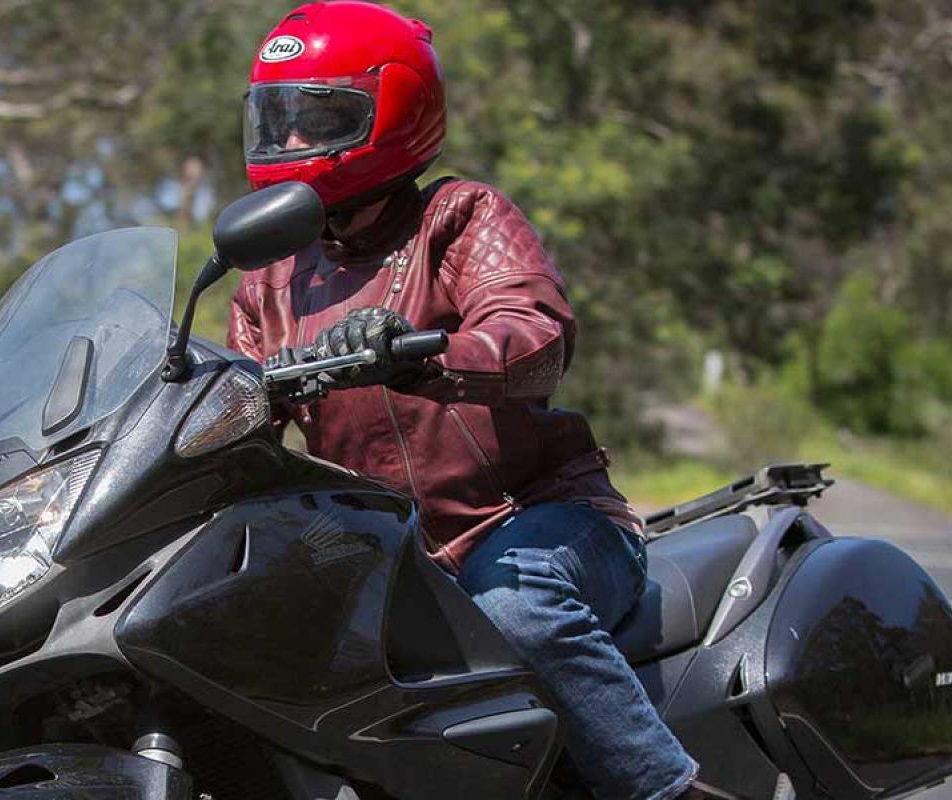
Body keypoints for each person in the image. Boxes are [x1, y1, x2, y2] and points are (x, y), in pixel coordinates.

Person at [227, 3, 701, 798]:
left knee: (515, 609)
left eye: (317, 119)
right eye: (278, 120)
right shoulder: (265, 280)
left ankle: (663, 788)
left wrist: (425, 358)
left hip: (532, 519)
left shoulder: (458, 217)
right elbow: (239, 414)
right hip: (388, 555)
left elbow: (533, 332)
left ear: (392, 114)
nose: (292, 143)